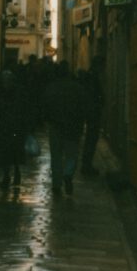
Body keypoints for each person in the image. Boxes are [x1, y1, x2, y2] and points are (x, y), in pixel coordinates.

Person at [42, 61, 87, 197]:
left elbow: (45, 106)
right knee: (71, 154)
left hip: (55, 126)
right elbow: (83, 108)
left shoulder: (51, 87)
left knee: (56, 156)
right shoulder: (77, 88)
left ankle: (56, 184)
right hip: (73, 126)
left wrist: (48, 120)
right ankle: (68, 173)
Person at [0, 69, 28, 192]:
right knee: (5, 153)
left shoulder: (16, 93)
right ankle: (6, 175)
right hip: (4, 128)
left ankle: (16, 171)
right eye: (5, 81)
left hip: (14, 128)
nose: (6, 83)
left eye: (8, 81)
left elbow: (23, 110)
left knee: (14, 151)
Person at [80, 55, 105, 176]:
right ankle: (86, 165)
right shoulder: (93, 77)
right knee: (91, 139)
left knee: (90, 140)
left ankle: (86, 164)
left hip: (91, 112)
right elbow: (94, 95)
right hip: (93, 113)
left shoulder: (90, 76)